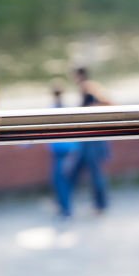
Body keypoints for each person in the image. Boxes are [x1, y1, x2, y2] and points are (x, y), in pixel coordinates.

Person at [69, 66, 111, 214]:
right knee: (79, 171)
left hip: (93, 141)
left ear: (79, 75)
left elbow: (109, 103)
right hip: (88, 140)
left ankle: (100, 205)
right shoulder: (86, 87)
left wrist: (93, 110)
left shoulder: (89, 87)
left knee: (95, 173)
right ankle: (97, 205)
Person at [48, 79, 77, 219]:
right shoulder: (66, 108)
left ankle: (66, 209)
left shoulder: (52, 109)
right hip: (67, 151)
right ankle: (63, 206)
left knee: (61, 181)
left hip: (62, 152)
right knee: (61, 180)